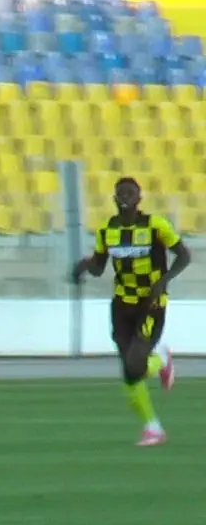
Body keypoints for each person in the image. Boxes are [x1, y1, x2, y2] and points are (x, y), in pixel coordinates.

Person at [73, 176, 188, 446]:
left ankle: (160, 359)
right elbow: (99, 266)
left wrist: (164, 281)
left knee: (134, 364)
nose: (125, 197)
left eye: (130, 193)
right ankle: (152, 427)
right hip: (122, 304)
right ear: (114, 199)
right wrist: (84, 266)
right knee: (129, 371)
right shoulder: (107, 230)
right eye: (120, 193)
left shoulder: (155, 225)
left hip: (150, 304)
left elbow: (184, 255)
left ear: (139, 199)